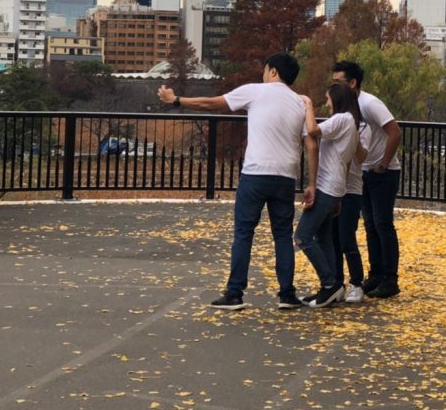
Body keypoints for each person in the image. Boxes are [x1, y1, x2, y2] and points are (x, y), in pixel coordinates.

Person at [156, 53, 315, 311]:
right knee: (283, 236)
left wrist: (176, 100)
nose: (263, 74)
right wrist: (312, 182)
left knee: (244, 233)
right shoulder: (299, 102)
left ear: (273, 71)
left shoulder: (256, 91)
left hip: (256, 173)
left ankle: (235, 293)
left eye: (265, 69)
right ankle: (287, 294)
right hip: (286, 175)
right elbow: (311, 141)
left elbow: (212, 104)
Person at [331, 60, 402, 298]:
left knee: (383, 223)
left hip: (383, 172)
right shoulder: (346, 106)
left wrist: (383, 163)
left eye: (338, 82)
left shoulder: (369, 103)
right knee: (370, 224)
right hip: (365, 172)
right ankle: (376, 274)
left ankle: (390, 279)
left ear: (352, 83)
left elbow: (395, 131)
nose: (334, 87)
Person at [296, 81, 361, 308]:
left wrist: (308, 106)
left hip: (326, 186)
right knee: (324, 238)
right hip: (334, 187)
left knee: (303, 236)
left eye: (328, 98)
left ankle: (329, 284)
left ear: (337, 98)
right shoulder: (350, 122)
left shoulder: (342, 119)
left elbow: (313, 130)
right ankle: (333, 286)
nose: (326, 102)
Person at [332, 119, 370, 303]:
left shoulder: (362, 127)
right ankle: (337, 284)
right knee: (333, 239)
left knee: (346, 238)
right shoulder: (334, 123)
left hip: (351, 190)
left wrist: (353, 137)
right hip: (332, 188)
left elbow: (361, 157)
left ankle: (357, 283)